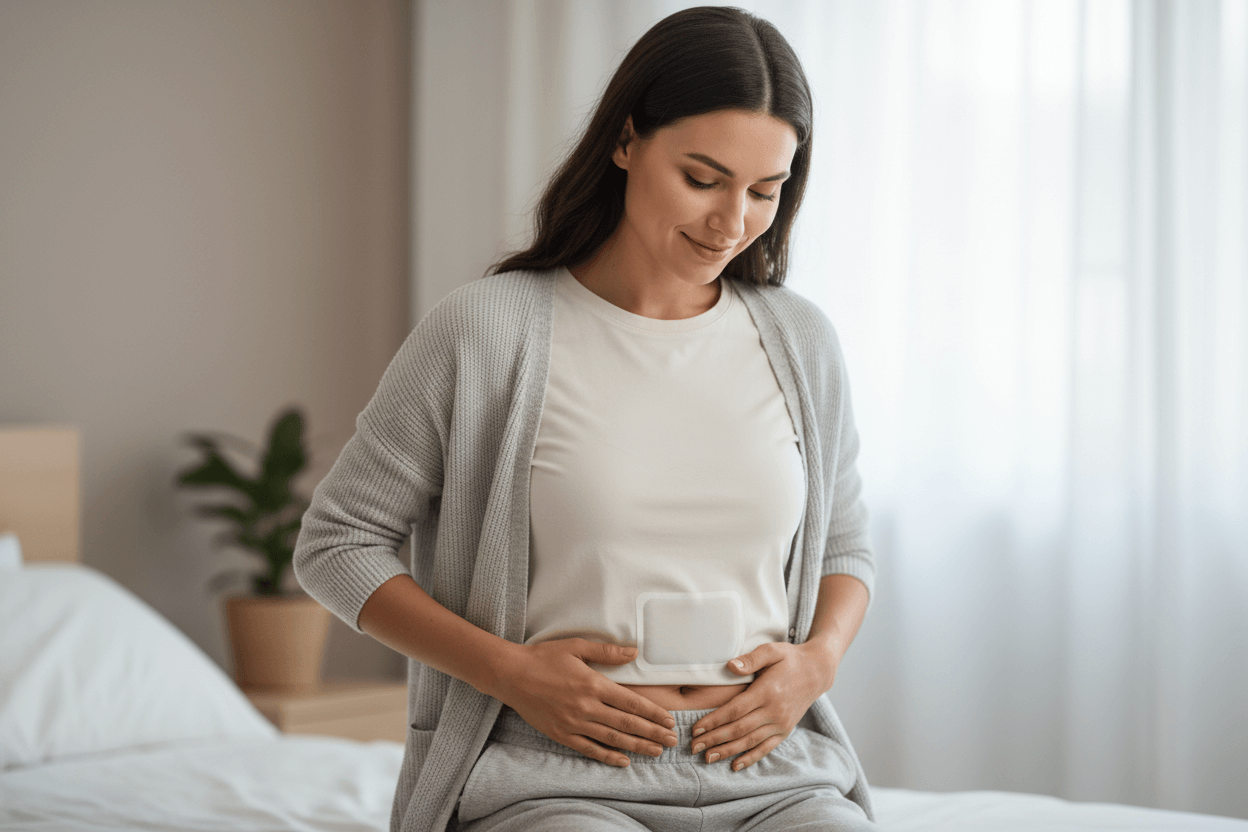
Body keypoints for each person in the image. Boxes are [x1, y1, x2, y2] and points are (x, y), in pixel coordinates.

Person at [293, 6, 877, 831]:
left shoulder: (800, 338)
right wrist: (509, 673)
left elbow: (846, 545)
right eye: (703, 178)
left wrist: (816, 664)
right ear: (627, 141)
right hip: (555, 773)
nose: (731, 221)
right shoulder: (488, 330)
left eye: (765, 190)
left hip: (769, 769)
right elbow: (336, 544)